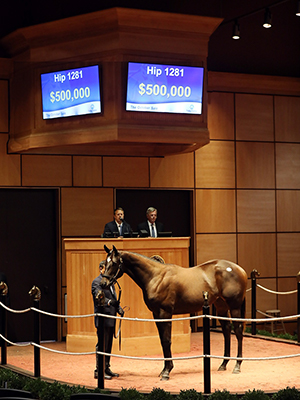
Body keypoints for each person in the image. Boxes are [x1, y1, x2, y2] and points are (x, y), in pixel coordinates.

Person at [91, 261, 124, 380]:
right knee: (102, 344)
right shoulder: (96, 282)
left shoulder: (110, 283)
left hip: (111, 318)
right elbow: (99, 298)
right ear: (101, 269)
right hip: (102, 318)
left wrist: (118, 308)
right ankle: (98, 371)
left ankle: (106, 367)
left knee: (108, 344)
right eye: (107, 268)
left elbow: (113, 298)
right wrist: (110, 302)